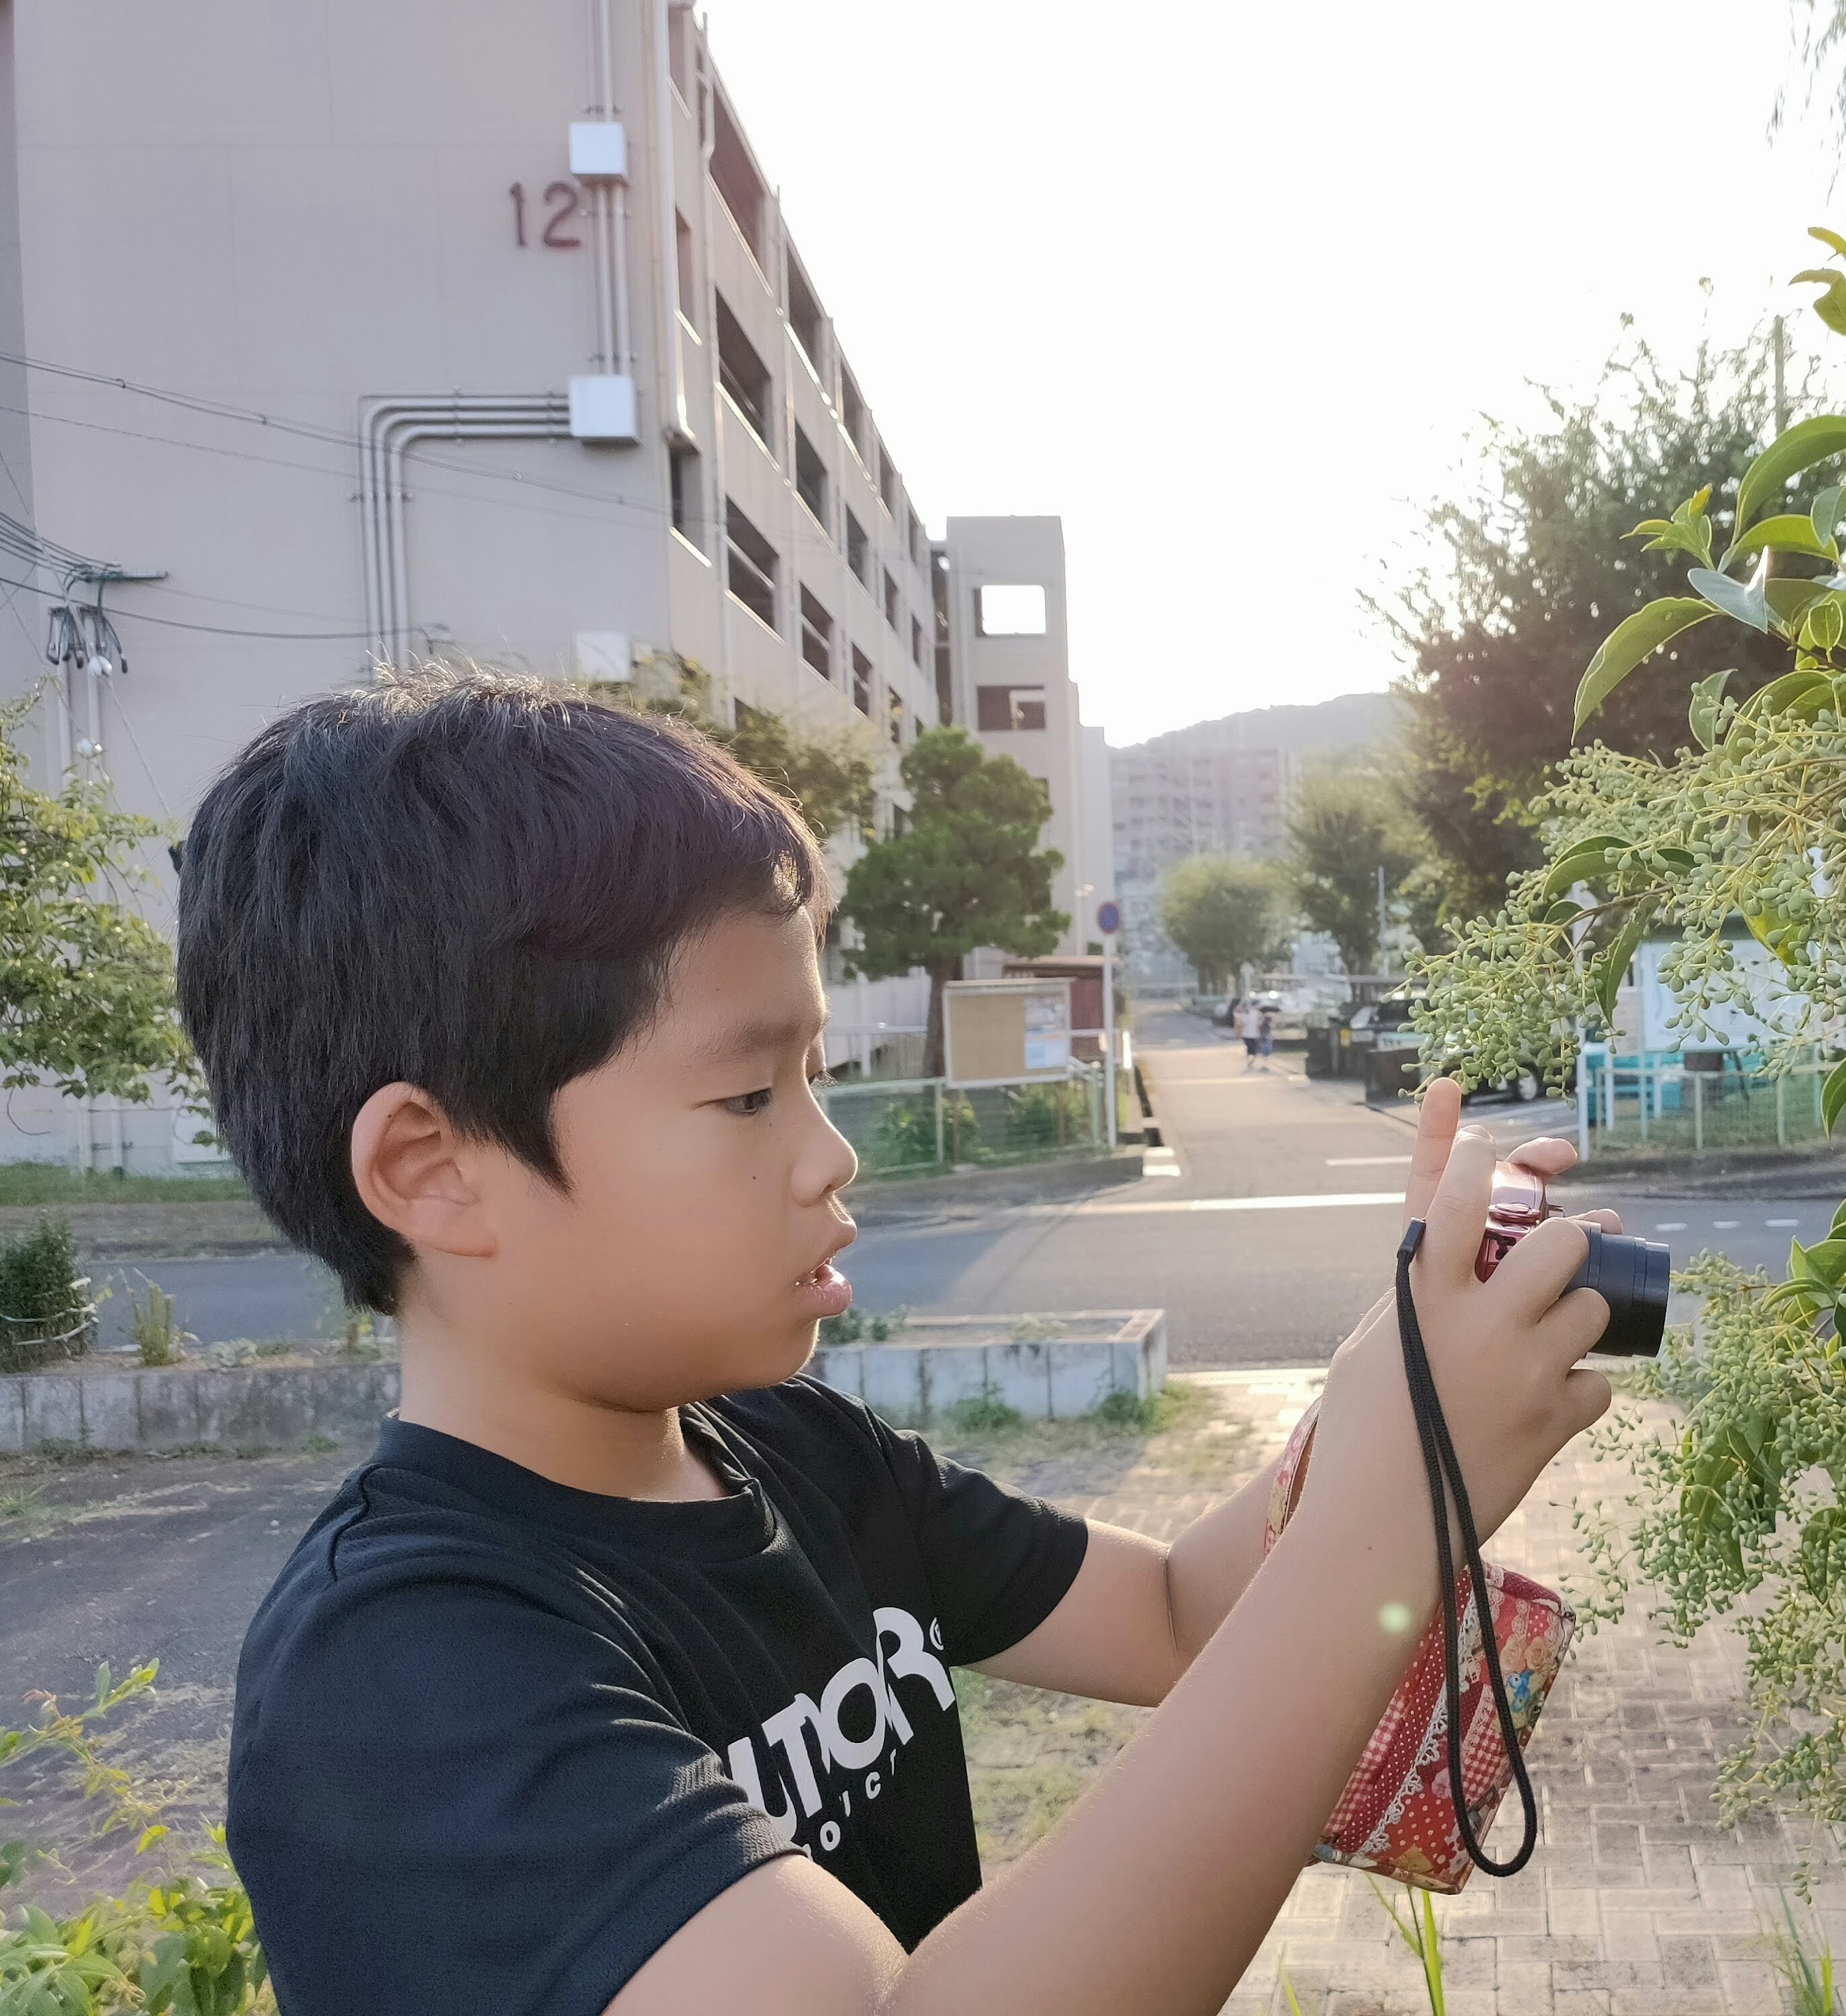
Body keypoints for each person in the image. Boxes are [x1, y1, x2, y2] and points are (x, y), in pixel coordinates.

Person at [185, 669, 1618, 2016]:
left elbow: (1180, 1614)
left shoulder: (806, 1456)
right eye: (750, 1094)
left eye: (814, 1074)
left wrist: (1408, 1377)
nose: (829, 1157)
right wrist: (1382, 1521)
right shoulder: (395, 1677)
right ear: (436, 1172)